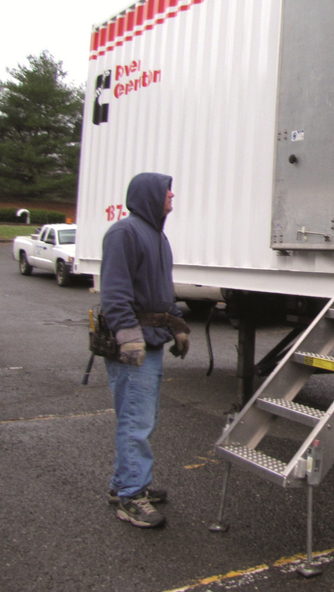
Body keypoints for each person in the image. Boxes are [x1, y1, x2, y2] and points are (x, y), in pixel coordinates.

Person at [101, 172, 189, 528]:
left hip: (151, 340)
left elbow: (161, 293)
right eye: (166, 190)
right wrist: (128, 336)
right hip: (133, 346)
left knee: (138, 417)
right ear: (149, 195)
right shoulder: (124, 233)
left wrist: (178, 325)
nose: (172, 195)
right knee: (136, 420)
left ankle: (124, 484)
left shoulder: (156, 236)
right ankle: (131, 496)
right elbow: (114, 292)